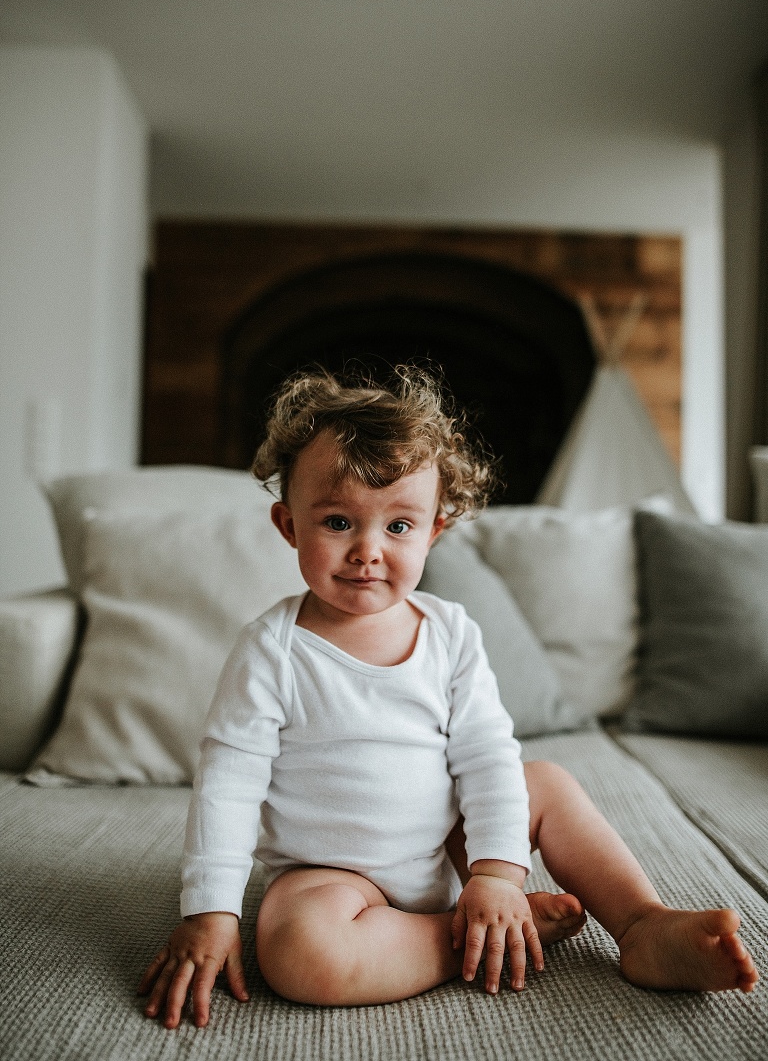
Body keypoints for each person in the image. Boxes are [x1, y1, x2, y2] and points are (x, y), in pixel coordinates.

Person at [139, 366, 759, 1029]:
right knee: (299, 955)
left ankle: (641, 924)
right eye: (339, 521)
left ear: (434, 530)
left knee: (545, 782)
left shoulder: (451, 633)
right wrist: (210, 914)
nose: (368, 551)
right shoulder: (271, 650)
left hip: (452, 847)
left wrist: (494, 874)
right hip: (333, 876)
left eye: (398, 526)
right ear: (289, 525)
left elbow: (487, 756)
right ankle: (462, 937)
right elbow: (228, 783)